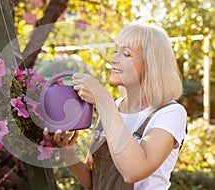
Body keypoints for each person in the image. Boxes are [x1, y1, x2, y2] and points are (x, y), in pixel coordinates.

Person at [43, 22, 187, 190]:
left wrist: (103, 99)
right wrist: (67, 151)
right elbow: (94, 181)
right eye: (116, 51)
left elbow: (133, 171)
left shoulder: (170, 113)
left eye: (126, 54)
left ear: (151, 64)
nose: (113, 59)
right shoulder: (114, 107)